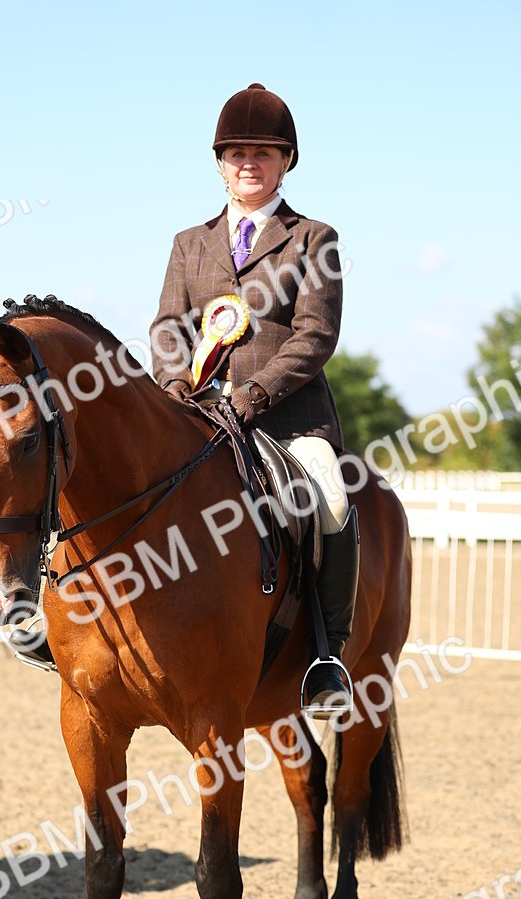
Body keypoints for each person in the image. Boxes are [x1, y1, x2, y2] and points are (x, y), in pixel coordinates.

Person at [148, 82, 359, 719]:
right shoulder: (189, 243)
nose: (249, 163)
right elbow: (168, 328)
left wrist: (254, 394)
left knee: (331, 497)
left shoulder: (313, 238)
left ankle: (327, 655)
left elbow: (315, 335)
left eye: (263, 153)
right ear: (220, 163)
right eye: (237, 152)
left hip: (289, 419)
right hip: (201, 415)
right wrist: (176, 387)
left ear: (286, 161)